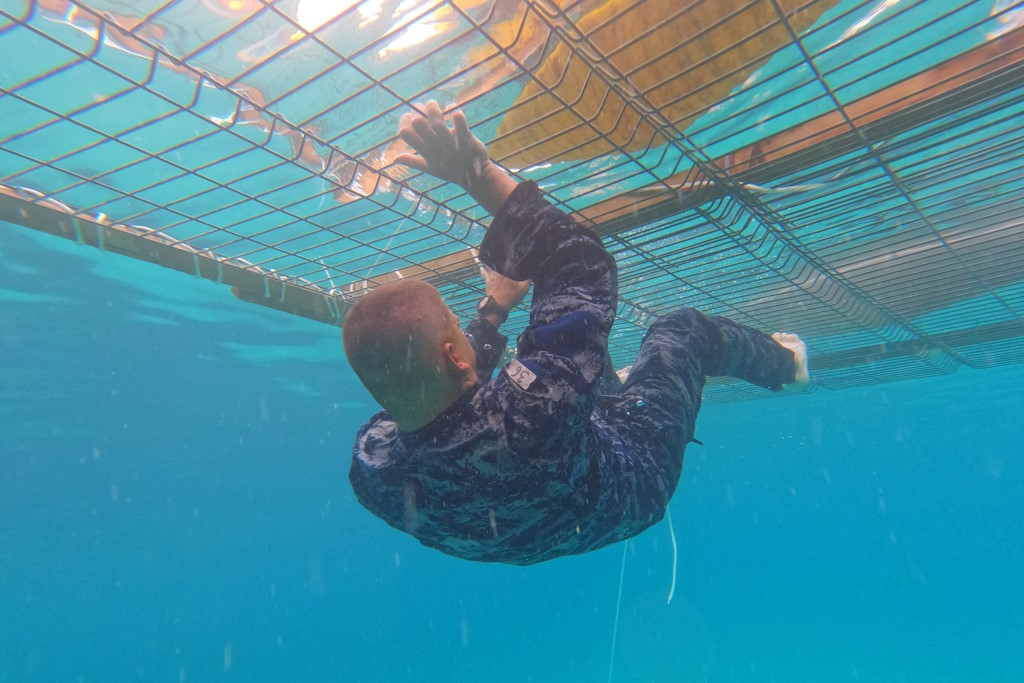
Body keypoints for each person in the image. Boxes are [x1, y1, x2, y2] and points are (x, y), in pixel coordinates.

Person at [343, 102, 809, 565]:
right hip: (629, 488)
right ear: (454, 357)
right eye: (454, 322)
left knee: (565, 368)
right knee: (678, 329)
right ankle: (787, 366)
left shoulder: (372, 464)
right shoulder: (528, 413)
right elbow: (580, 267)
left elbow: (443, 384)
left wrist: (494, 309)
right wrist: (478, 176)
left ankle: (601, 398)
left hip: (534, 523)